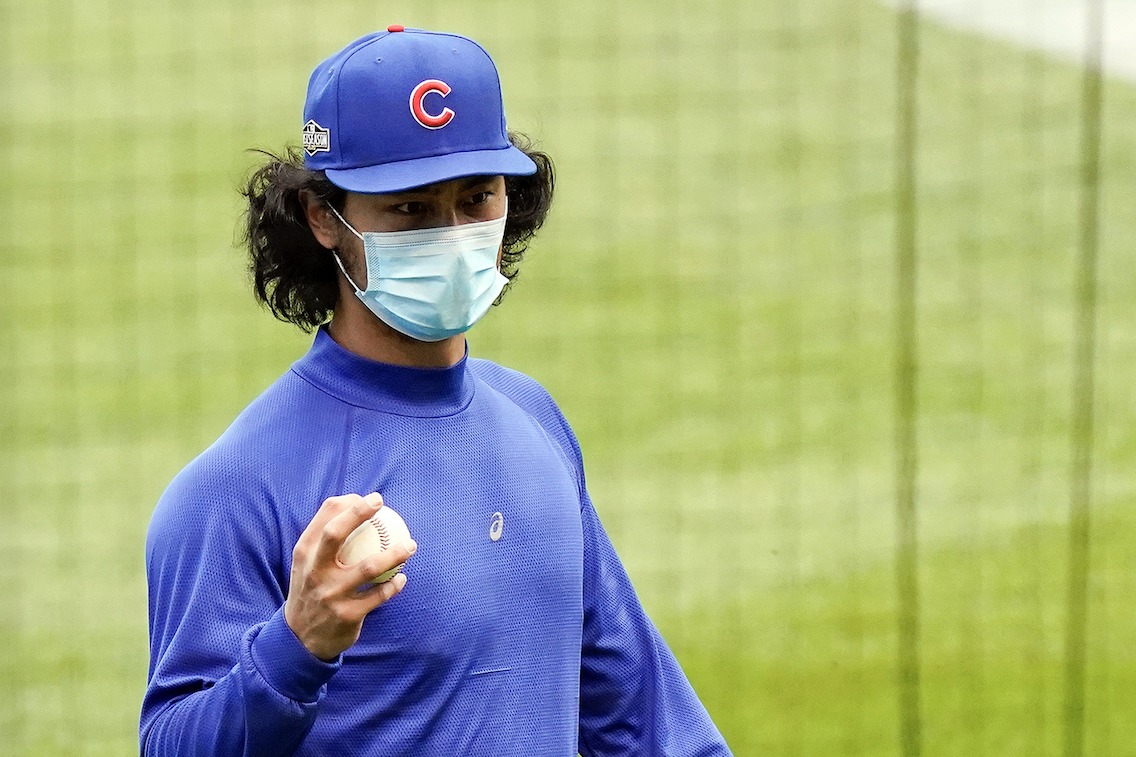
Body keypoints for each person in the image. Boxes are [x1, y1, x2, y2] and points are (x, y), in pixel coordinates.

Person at [141, 25, 730, 756]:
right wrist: (296, 649)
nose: (452, 236)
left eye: (477, 198)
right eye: (410, 209)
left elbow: (642, 723)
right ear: (324, 218)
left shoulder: (533, 419)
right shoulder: (236, 487)